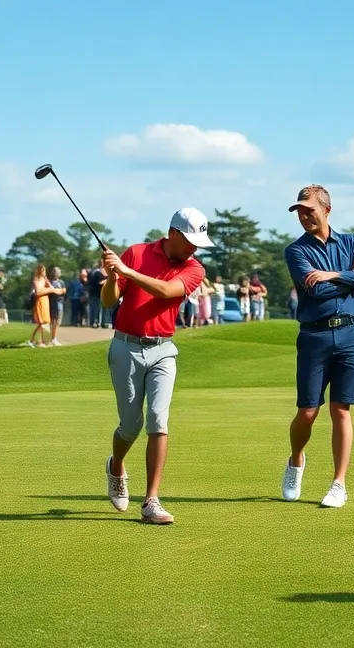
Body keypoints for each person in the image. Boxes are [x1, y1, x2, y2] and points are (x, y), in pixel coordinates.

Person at [101, 208, 211, 525]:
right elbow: (109, 300)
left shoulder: (195, 269)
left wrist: (127, 271)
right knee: (129, 426)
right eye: (190, 240)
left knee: (158, 420)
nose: (195, 248)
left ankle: (151, 501)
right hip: (125, 347)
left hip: (163, 350)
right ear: (172, 233)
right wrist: (113, 274)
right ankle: (116, 466)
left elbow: (165, 291)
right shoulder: (136, 252)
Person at [280, 185, 354, 509]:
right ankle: (296, 460)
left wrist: (332, 274)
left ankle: (339, 484)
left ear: (327, 210)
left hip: (350, 334)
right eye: (300, 211)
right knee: (308, 411)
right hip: (314, 336)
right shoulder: (296, 251)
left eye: (310, 210)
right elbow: (315, 291)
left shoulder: (350, 242)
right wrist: (350, 278)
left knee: (341, 410)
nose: (305, 216)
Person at [49, 266, 66, 345]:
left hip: (60, 302)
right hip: (53, 303)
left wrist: (57, 290)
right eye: (56, 271)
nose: (58, 273)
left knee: (58, 321)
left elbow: (64, 291)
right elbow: (53, 291)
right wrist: (58, 291)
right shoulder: (50, 282)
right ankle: (53, 338)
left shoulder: (62, 282)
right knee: (54, 321)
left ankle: (53, 337)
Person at [87, 263, 108, 328]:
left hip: (99, 294)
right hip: (97, 294)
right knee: (97, 309)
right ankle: (96, 323)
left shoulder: (93, 273)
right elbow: (100, 282)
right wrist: (109, 280)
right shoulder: (97, 273)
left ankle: (100, 323)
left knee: (100, 309)